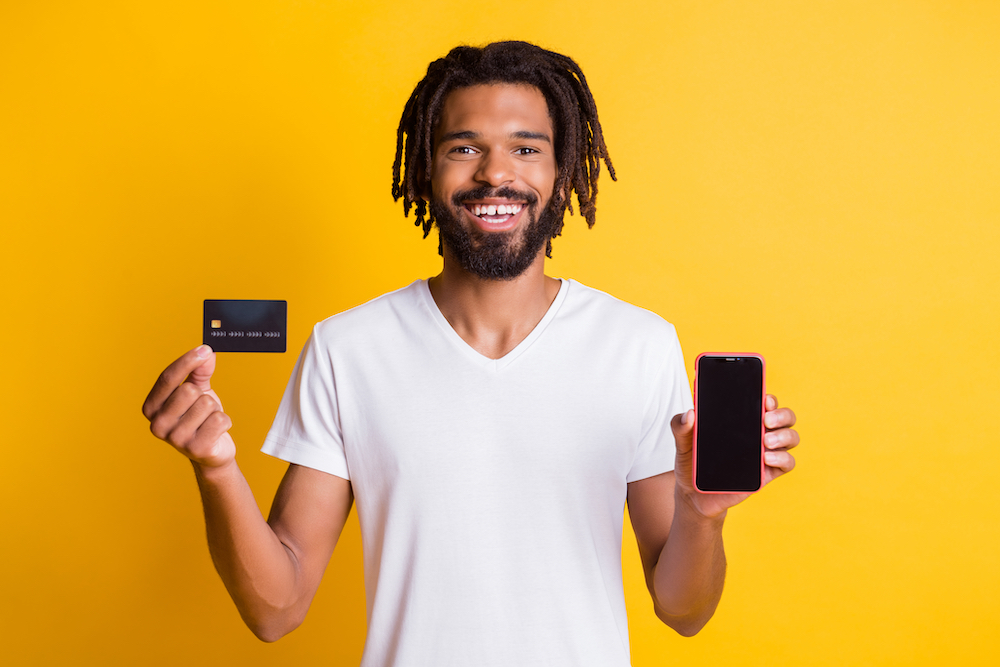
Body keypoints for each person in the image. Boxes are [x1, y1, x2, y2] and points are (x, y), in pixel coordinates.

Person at [142, 41, 799, 666]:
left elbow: (683, 609)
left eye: (525, 148)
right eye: (464, 148)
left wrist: (700, 513)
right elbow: (276, 609)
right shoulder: (347, 349)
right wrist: (217, 470)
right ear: (427, 172)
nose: (495, 172)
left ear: (561, 176)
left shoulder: (638, 344)